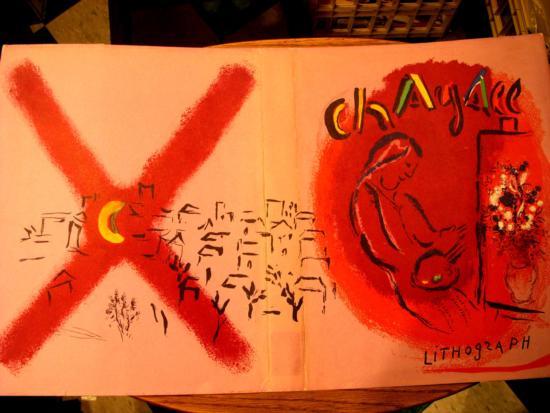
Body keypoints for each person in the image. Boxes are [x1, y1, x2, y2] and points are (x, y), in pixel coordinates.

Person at [350, 132, 474, 333]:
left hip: (434, 279)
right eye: (408, 165)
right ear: (390, 159)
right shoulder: (366, 193)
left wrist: (446, 239)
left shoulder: (402, 199)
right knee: (449, 324)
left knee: (466, 316)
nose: (409, 174)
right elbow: (380, 251)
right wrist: (434, 252)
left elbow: (427, 237)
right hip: (413, 287)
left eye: (413, 169)